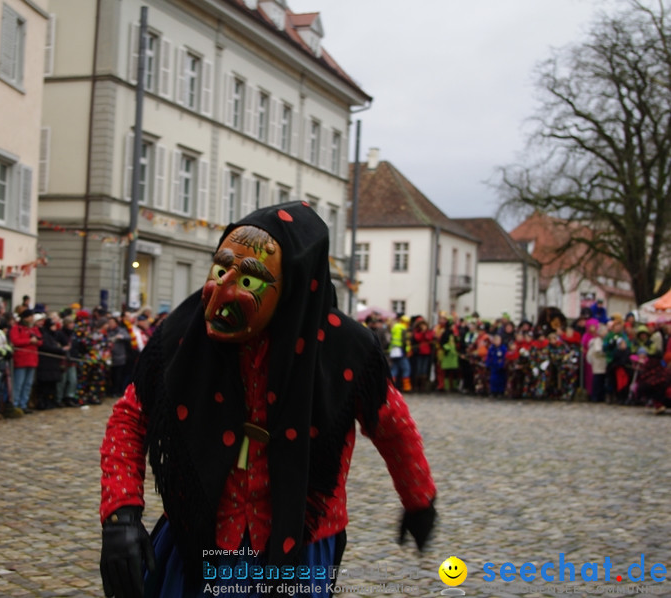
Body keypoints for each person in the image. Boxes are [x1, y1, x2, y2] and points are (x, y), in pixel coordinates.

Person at [99, 202, 436, 598]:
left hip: (300, 548)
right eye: (221, 270)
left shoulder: (345, 350)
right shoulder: (182, 335)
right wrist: (121, 512)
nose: (222, 290)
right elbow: (132, 416)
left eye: (250, 281)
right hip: (200, 539)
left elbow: (392, 425)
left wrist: (419, 499)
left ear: (294, 283)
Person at [10, 309, 41, 414]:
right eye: (30, 316)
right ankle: (15, 404)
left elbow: (40, 340)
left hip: (32, 359)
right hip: (21, 359)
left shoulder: (34, 328)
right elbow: (15, 341)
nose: (32, 319)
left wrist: (36, 341)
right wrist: (29, 341)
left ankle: (24, 404)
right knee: (19, 383)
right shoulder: (17, 328)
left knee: (28, 384)